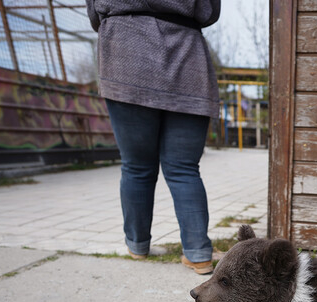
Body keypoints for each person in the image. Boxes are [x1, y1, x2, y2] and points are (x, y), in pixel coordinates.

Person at [86, 0, 221, 275]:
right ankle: (198, 253)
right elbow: (210, 11)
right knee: (184, 169)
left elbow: (94, 12)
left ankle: (138, 246)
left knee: (136, 166)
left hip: (126, 53)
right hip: (187, 56)